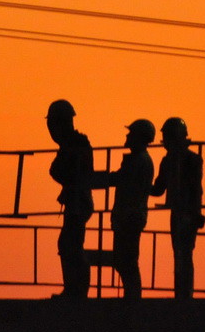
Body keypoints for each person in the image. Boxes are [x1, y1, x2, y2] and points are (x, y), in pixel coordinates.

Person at [99, 118, 155, 299]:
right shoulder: (142, 160)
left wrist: (99, 179)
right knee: (125, 260)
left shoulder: (138, 161)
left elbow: (121, 179)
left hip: (129, 216)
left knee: (126, 260)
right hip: (131, 215)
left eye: (131, 133)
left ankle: (132, 298)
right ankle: (132, 296)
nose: (128, 136)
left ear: (139, 137)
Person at [151, 116, 205, 299]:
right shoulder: (172, 161)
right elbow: (159, 189)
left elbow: (195, 189)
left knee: (184, 253)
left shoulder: (190, 160)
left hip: (187, 212)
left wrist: (196, 214)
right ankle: (182, 293)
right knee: (181, 253)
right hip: (180, 212)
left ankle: (184, 294)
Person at [46, 99, 94, 298]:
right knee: (69, 244)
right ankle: (74, 290)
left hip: (78, 201)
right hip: (77, 200)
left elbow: (60, 170)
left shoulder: (75, 145)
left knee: (70, 245)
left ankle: (77, 290)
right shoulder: (73, 144)